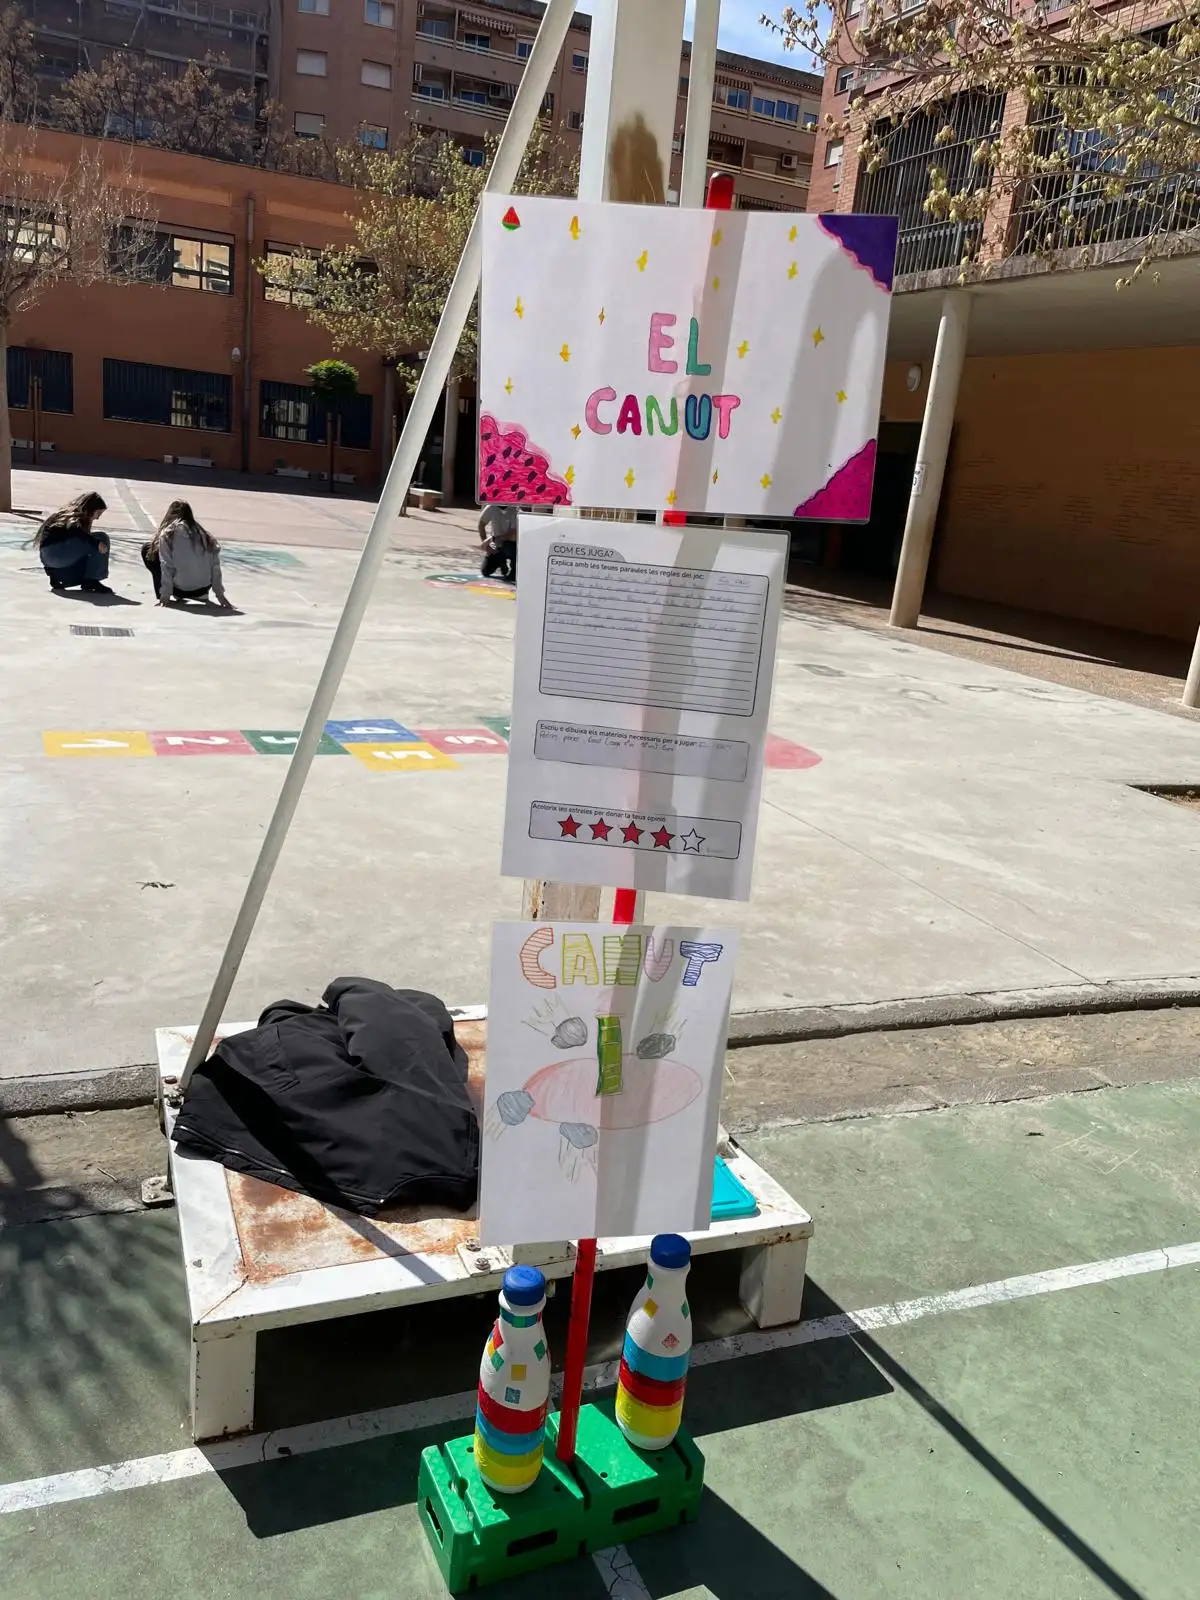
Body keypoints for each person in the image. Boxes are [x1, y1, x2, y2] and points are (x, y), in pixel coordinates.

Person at [141, 500, 233, 609]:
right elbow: (215, 567)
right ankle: (200, 594)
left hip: (180, 590)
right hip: (203, 588)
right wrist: (220, 595)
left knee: (147, 549)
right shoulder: (205, 535)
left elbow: (166, 565)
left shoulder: (168, 533)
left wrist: (165, 595)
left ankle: (163, 593)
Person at [35, 491, 112, 594]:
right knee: (101, 537)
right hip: (58, 554)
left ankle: (60, 578)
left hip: (49, 560)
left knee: (90, 544)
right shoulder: (73, 518)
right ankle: (92, 580)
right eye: (98, 513)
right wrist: (96, 543)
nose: (97, 518)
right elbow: (75, 532)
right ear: (90, 509)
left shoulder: (62, 515)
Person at [478, 503, 518, 582]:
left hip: (511, 544)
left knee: (508, 546)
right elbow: (481, 524)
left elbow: (514, 535)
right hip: (496, 543)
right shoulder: (491, 507)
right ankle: (501, 563)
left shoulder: (515, 509)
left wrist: (495, 539)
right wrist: (486, 544)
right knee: (485, 571)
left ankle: (514, 569)